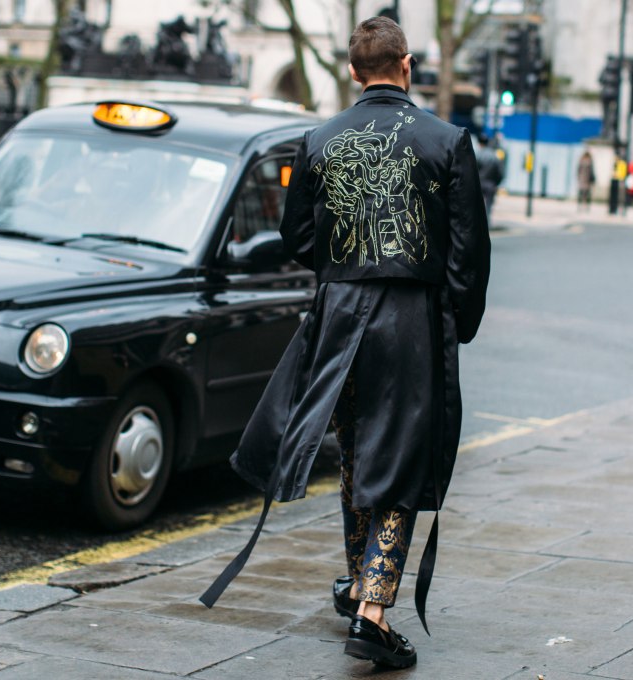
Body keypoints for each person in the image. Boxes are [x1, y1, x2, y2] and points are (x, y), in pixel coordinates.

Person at [199, 16, 491, 670]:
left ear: (353, 72)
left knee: (357, 454)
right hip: (412, 318)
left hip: (340, 314)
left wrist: (342, 269)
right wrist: (458, 322)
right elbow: (469, 252)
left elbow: (297, 235)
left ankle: (361, 583)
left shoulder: (318, 140)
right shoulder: (447, 141)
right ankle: (373, 613)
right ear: (407, 65)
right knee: (401, 463)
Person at [475, 132, 504, 220]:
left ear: (479, 142)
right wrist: (496, 183)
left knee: (475, 206)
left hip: (477, 184)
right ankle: (487, 223)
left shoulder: (476, 154)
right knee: (488, 207)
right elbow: (500, 173)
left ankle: (476, 223)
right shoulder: (494, 156)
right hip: (491, 184)